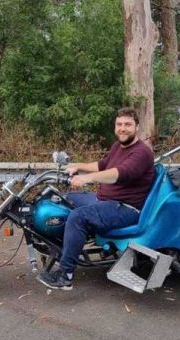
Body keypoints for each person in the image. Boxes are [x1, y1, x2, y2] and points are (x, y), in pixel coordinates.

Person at [36, 107, 155, 290]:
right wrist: (78, 167)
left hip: (126, 209)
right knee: (61, 200)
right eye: (119, 124)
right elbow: (102, 165)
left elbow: (119, 174)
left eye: (128, 125)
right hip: (102, 199)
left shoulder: (141, 153)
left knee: (78, 217)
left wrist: (86, 178)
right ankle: (63, 248)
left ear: (137, 127)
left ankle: (65, 275)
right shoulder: (118, 146)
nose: (122, 128)